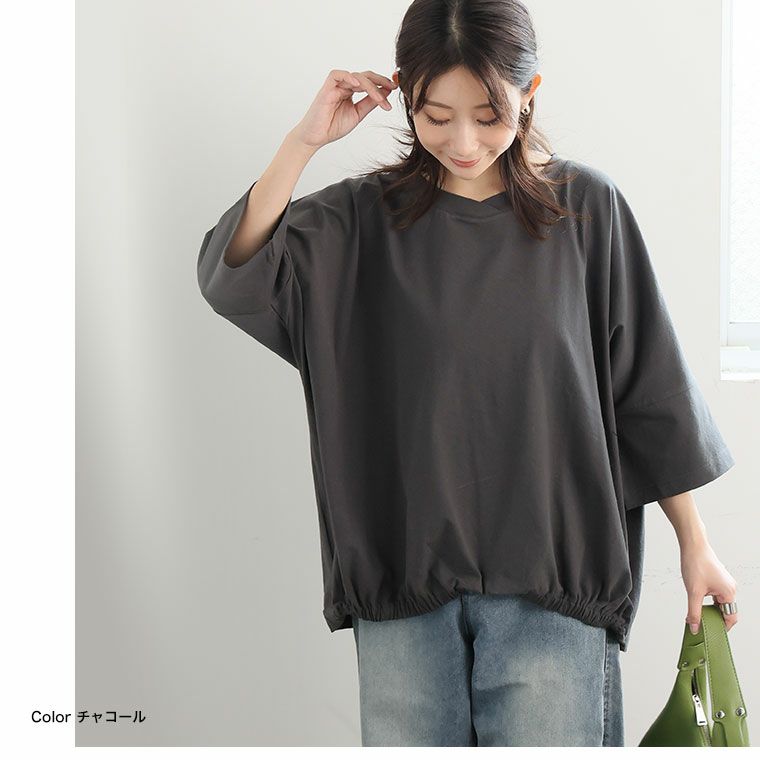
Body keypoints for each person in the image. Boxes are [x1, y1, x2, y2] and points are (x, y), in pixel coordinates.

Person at [196, 0, 739, 747]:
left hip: (554, 588)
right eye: (436, 115)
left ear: (529, 94)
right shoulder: (360, 222)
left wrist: (695, 544)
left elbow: (646, 388)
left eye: (489, 116)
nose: (463, 141)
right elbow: (237, 272)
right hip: (405, 586)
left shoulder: (586, 212)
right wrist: (304, 141)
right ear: (405, 95)